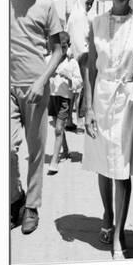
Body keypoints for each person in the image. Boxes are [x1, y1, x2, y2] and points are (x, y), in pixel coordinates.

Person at [82, 0, 133, 259]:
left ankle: (119, 234)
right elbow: (91, 68)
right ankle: (107, 214)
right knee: (102, 165)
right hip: (101, 97)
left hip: (127, 101)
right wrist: (88, 108)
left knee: (121, 171)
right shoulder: (96, 23)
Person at [10, 0, 63, 235]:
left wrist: (42, 80)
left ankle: (31, 207)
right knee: (6, 148)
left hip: (36, 89)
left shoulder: (47, 5)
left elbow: (58, 50)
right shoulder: (5, 2)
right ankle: (16, 197)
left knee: (36, 151)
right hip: (7, 89)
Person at [48, 32, 83, 175]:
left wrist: (69, 78)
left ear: (68, 46)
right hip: (52, 97)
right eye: (58, 47)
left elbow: (79, 82)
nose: (61, 50)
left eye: (64, 47)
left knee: (58, 129)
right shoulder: (49, 60)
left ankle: (54, 161)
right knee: (58, 128)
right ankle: (66, 149)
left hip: (64, 98)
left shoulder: (72, 63)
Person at [65, 0, 95, 131]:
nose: (89, 6)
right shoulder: (80, 16)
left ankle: (69, 120)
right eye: (88, 3)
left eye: (91, 4)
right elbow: (82, 37)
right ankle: (79, 121)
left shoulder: (73, 16)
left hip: (73, 55)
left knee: (73, 90)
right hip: (82, 56)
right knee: (81, 89)